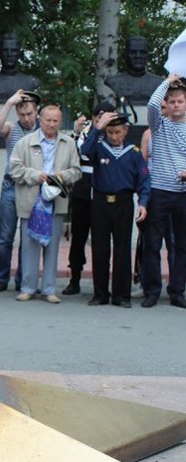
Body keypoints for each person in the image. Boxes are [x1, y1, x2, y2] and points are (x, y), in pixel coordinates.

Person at [10, 105, 81, 303]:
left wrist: (61, 176)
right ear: (40, 119)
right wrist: (36, 176)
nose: (51, 124)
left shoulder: (68, 143)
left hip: (55, 201)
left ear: (60, 122)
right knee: (29, 246)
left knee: (52, 246)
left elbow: (76, 171)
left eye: (55, 120)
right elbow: (14, 169)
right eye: (47, 120)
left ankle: (49, 288)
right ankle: (28, 287)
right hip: (31, 201)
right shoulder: (25, 143)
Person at [80, 112, 150, 307]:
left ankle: (121, 295)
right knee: (100, 248)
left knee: (122, 248)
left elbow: (144, 180)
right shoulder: (99, 148)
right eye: (110, 132)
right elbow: (85, 151)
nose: (114, 136)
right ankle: (100, 294)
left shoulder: (133, 153)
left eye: (118, 132)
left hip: (124, 202)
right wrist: (98, 128)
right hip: (101, 202)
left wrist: (143, 202)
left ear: (126, 130)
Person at [140, 74, 186, 309]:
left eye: (180, 101)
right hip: (158, 190)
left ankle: (177, 291)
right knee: (152, 244)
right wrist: (167, 82)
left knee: (181, 246)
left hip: (183, 193)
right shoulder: (159, 125)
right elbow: (150, 104)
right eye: (172, 101)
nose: (176, 105)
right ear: (166, 104)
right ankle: (152, 290)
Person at [0, 89, 40, 292]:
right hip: (11, 185)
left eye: (29, 113)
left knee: (28, 237)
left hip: (32, 186)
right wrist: (10, 102)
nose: (26, 118)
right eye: (22, 114)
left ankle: (23, 279)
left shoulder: (42, 131)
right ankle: (1, 278)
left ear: (36, 111)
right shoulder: (12, 128)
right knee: (5, 236)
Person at [61, 101, 114, 295]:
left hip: (103, 192)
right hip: (83, 193)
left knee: (102, 241)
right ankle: (74, 279)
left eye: (107, 115)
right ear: (93, 117)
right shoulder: (87, 132)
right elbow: (84, 153)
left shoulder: (114, 133)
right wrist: (95, 130)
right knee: (78, 239)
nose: (103, 119)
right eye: (99, 116)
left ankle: (101, 285)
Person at [0, 33, 41, 102]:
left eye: (14, 51)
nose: (9, 54)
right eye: (5, 50)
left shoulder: (32, 82)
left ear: (19, 54)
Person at [105, 36, 165, 105]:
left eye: (142, 52)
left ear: (147, 55)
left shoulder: (159, 83)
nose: (138, 56)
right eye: (133, 52)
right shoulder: (113, 81)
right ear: (125, 55)